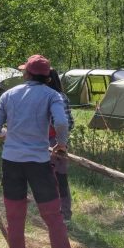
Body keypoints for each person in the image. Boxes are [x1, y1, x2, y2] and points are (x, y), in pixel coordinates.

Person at [0, 54, 88, 248]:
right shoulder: (52, 95)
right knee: (54, 218)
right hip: (39, 163)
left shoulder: (8, 95)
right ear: (46, 76)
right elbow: (62, 123)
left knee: (15, 219)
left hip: (11, 162)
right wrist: (61, 144)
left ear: (26, 73)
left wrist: (8, 134)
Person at [48, 69, 73, 224]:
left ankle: (64, 213)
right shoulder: (42, 96)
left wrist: (60, 140)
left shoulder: (58, 97)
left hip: (55, 142)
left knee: (60, 178)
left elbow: (68, 122)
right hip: (43, 142)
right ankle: (53, 212)